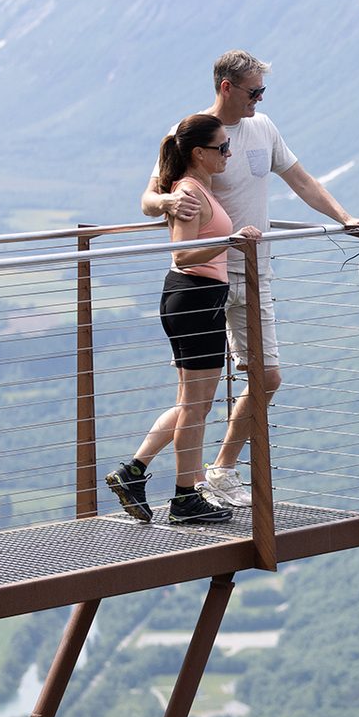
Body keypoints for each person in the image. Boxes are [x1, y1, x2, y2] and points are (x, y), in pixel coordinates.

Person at [140, 50, 359, 508]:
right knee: (196, 396)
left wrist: (344, 218)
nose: (259, 100)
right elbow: (150, 196)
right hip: (205, 276)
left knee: (266, 377)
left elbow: (301, 180)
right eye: (253, 91)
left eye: (262, 91)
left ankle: (215, 471)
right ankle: (157, 478)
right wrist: (165, 205)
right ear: (226, 86)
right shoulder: (193, 133)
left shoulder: (264, 129)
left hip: (253, 271)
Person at [107, 113, 264, 525]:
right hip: (195, 297)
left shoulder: (194, 187)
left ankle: (134, 472)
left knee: (191, 404)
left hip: (193, 299)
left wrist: (228, 238)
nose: (228, 154)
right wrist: (228, 242)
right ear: (199, 153)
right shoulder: (190, 192)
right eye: (222, 148)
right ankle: (183, 500)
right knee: (196, 407)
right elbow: (181, 253)